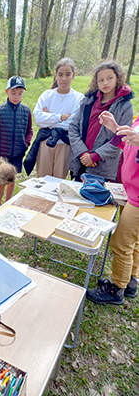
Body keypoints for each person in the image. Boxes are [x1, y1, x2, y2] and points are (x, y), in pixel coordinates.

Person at [86, 112, 139, 305]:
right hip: (131, 190)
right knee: (133, 241)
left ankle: (116, 289)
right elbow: (130, 146)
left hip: (138, 198)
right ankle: (131, 281)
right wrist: (114, 127)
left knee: (121, 242)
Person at [68, 60, 133, 182]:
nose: (105, 83)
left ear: (117, 78)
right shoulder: (88, 101)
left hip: (103, 166)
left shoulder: (125, 105)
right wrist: (83, 154)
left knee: (97, 198)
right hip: (81, 162)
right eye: (101, 80)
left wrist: (95, 156)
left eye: (109, 78)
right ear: (96, 82)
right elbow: (73, 128)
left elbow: (122, 137)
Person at [27, 58, 84, 178]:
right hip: (46, 141)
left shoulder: (78, 98)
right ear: (56, 76)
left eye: (68, 74)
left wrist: (49, 118)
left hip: (64, 143)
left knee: (59, 179)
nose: (64, 78)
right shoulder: (47, 95)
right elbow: (38, 119)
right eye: (60, 74)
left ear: (73, 75)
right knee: (42, 178)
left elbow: (73, 124)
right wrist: (61, 117)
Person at [0, 76, 33, 207]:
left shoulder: (26, 111)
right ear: (6, 91)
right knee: (1, 180)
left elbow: (29, 131)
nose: (16, 96)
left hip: (17, 154)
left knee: (11, 179)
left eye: (20, 93)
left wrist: (25, 144)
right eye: (13, 93)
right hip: (3, 154)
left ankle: (7, 204)